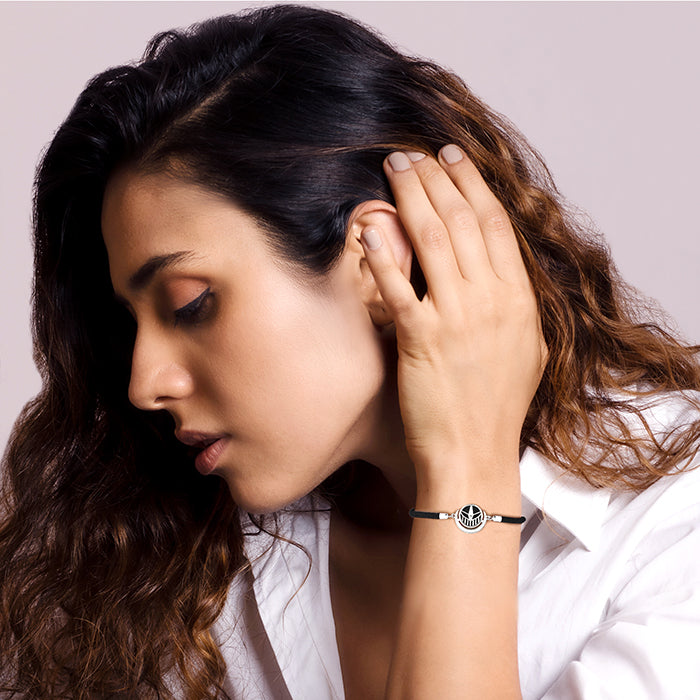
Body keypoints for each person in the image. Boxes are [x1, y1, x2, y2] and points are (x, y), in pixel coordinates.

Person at [1, 4, 699, 699]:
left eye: (190, 305)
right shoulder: (154, 567)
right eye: (132, 324)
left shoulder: (674, 532)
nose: (144, 383)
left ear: (377, 258)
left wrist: (467, 475)